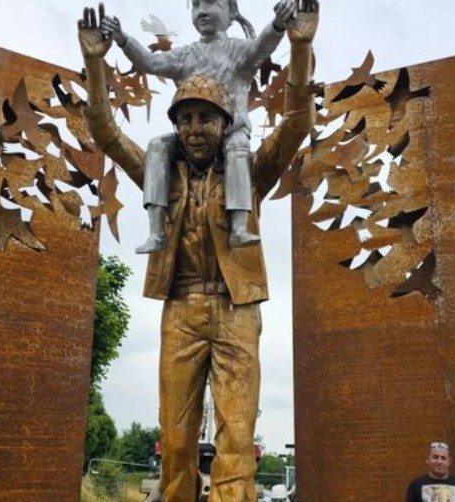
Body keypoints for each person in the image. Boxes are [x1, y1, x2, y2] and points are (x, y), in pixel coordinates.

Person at [77, 1, 319, 500]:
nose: (193, 129)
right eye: (184, 118)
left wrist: (300, 47)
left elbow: (295, 122)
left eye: (205, 119)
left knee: (235, 437)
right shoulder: (160, 173)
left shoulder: (249, 172)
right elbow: (105, 130)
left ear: (224, 121)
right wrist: (97, 64)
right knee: (177, 439)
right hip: (181, 308)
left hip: (238, 308)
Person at [98, 0, 298, 253]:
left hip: (230, 132)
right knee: (158, 146)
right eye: (195, 5)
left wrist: (279, 24)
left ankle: (238, 226)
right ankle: (157, 231)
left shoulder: (238, 50)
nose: (201, 11)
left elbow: (262, 46)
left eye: (211, 3)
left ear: (231, 12)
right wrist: (122, 39)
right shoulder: (185, 55)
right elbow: (149, 63)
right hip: (189, 140)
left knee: (238, 148)